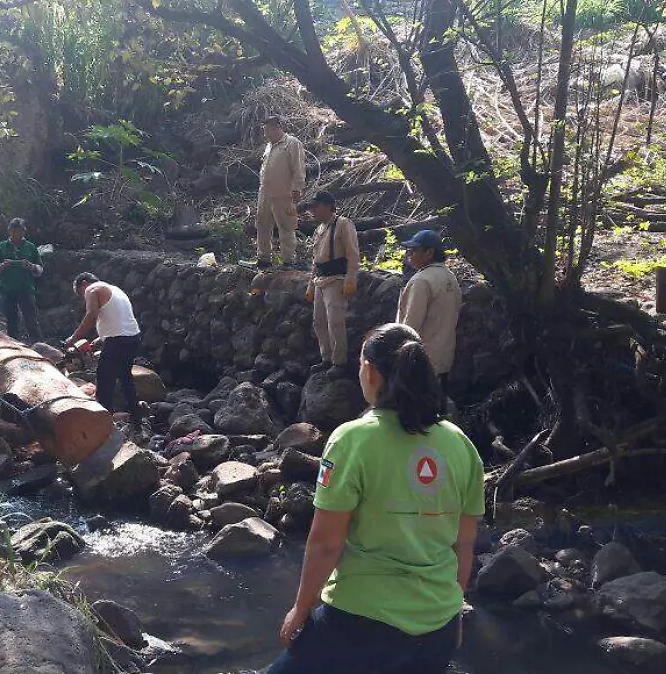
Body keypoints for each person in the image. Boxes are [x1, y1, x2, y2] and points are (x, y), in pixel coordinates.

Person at [266, 323, 485, 674]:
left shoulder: (353, 439)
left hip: (359, 623)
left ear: (369, 370)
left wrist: (301, 608)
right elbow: (465, 543)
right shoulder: (460, 444)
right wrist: (453, 610)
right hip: (436, 626)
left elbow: (325, 543)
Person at [64, 272, 143, 427]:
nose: (83, 297)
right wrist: (99, 340)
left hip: (117, 341)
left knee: (104, 378)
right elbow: (118, 320)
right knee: (125, 378)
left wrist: (73, 338)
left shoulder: (92, 289)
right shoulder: (115, 289)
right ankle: (136, 419)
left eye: (81, 292)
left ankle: (103, 423)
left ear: (84, 283)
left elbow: (91, 315)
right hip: (132, 337)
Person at [303, 191, 359, 377]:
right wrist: (310, 285)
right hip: (321, 279)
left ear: (327, 206)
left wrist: (350, 280)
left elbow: (352, 254)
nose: (313, 211)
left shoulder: (343, 224)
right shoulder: (319, 229)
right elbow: (315, 261)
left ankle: (339, 362)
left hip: (337, 278)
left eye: (315, 206)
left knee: (335, 321)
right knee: (319, 322)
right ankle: (326, 358)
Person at [396, 230, 462, 388]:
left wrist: (397, 355)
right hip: (444, 357)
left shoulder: (421, 280)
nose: (409, 254)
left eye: (414, 250)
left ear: (429, 252)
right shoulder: (450, 277)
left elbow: (411, 326)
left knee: (416, 407)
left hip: (420, 359)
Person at [252, 116, 305, 269]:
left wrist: (297, 188)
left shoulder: (292, 144)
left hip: (283, 194)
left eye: (267, 130)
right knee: (262, 225)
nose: (265, 134)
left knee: (286, 227)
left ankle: (288, 260)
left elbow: (298, 168)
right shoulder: (269, 146)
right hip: (265, 193)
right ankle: (263, 258)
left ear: (276, 128)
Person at [0, 217, 44, 343]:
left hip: (26, 289)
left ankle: (39, 346)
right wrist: (2, 266)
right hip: (7, 289)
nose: (16, 234)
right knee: (11, 320)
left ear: (24, 232)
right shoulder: (2, 246)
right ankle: (14, 346)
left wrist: (31, 266)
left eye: (19, 231)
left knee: (31, 320)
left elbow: (40, 268)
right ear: (9, 231)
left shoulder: (30, 247)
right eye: (14, 231)